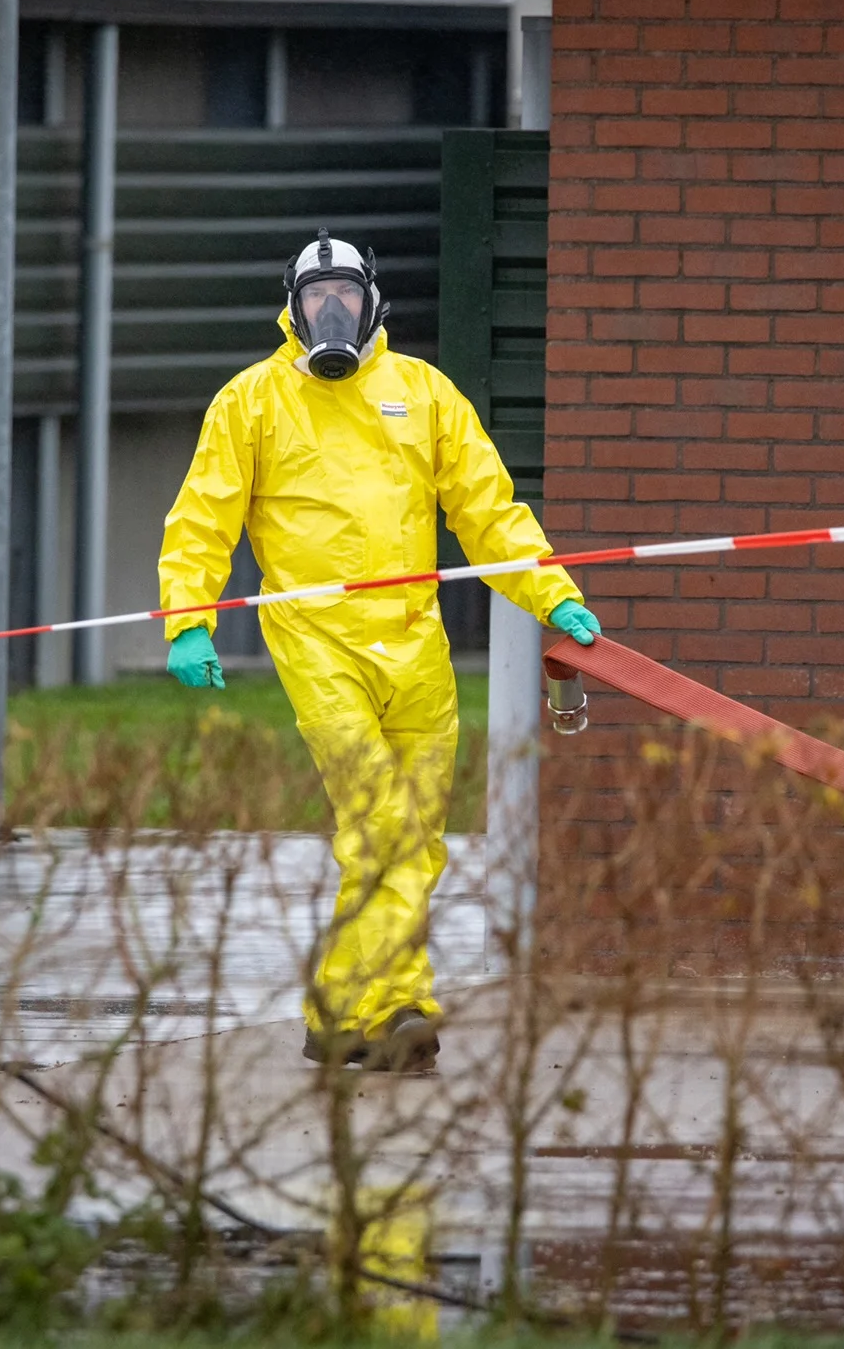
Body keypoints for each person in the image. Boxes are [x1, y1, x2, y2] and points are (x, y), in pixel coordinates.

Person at [158, 231, 601, 1073]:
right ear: (289, 311)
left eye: (346, 297)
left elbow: (488, 509)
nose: (332, 312)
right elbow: (202, 517)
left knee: (413, 837)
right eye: (315, 298)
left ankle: (337, 1012)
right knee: (382, 820)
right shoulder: (250, 402)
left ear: (373, 304)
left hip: (415, 644)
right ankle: (403, 1006)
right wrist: (189, 619)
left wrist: (556, 593)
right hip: (317, 640)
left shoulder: (425, 395)